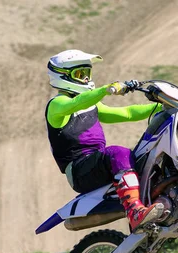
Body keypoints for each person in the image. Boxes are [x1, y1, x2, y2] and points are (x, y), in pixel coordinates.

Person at [45, 49, 164, 231]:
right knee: (117, 152)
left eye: (87, 73)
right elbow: (76, 104)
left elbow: (127, 112)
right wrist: (106, 89)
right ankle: (135, 212)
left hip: (95, 163)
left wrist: (161, 106)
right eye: (79, 74)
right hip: (79, 170)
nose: (85, 79)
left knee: (142, 156)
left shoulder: (91, 104)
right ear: (63, 76)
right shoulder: (57, 105)